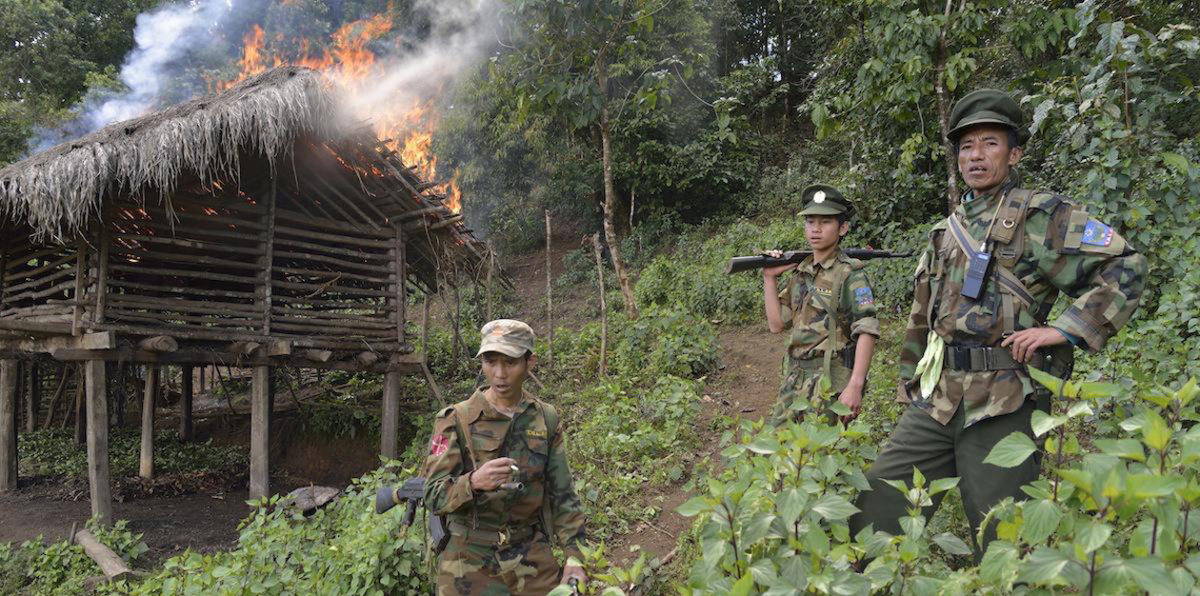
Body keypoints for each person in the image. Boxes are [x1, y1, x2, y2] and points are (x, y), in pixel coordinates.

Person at [849, 89, 1147, 557]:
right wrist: (910, 381)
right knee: (877, 502)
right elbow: (922, 317)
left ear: (1015, 152)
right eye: (966, 146)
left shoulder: (1041, 214)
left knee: (1000, 531)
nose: (976, 155)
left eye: (990, 142)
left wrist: (1066, 328)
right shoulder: (947, 230)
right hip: (939, 397)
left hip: (1004, 398)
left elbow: (1125, 266)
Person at [423, 319, 587, 595]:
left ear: (529, 362)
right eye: (490, 361)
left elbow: (564, 496)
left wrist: (574, 556)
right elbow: (432, 494)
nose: (499, 374)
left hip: (530, 556)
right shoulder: (456, 419)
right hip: (468, 561)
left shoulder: (545, 418)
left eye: (510, 362)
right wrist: (473, 481)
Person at [762, 185, 880, 425]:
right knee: (781, 452)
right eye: (810, 221)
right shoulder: (802, 272)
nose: (816, 229)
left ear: (843, 228)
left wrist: (855, 386)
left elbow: (867, 329)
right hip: (795, 378)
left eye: (825, 222)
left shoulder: (849, 275)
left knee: (822, 454)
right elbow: (776, 324)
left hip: (829, 380)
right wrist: (769, 278)